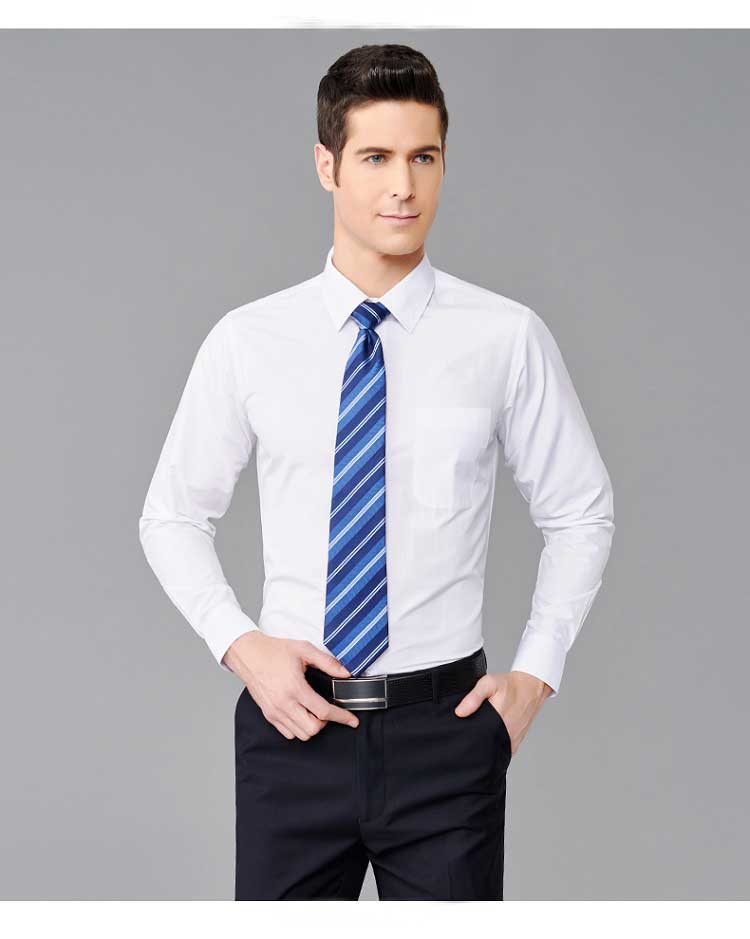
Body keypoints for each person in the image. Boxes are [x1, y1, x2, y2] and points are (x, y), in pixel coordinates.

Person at [138, 42, 615, 901]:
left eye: (423, 157)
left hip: (447, 735)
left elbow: (581, 511)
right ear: (327, 166)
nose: (403, 186)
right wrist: (241, 646)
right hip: (293, 727)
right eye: (376, 158)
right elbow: (171, 515)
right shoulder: (249, 341)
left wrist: (535, 675)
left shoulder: (504, 337)